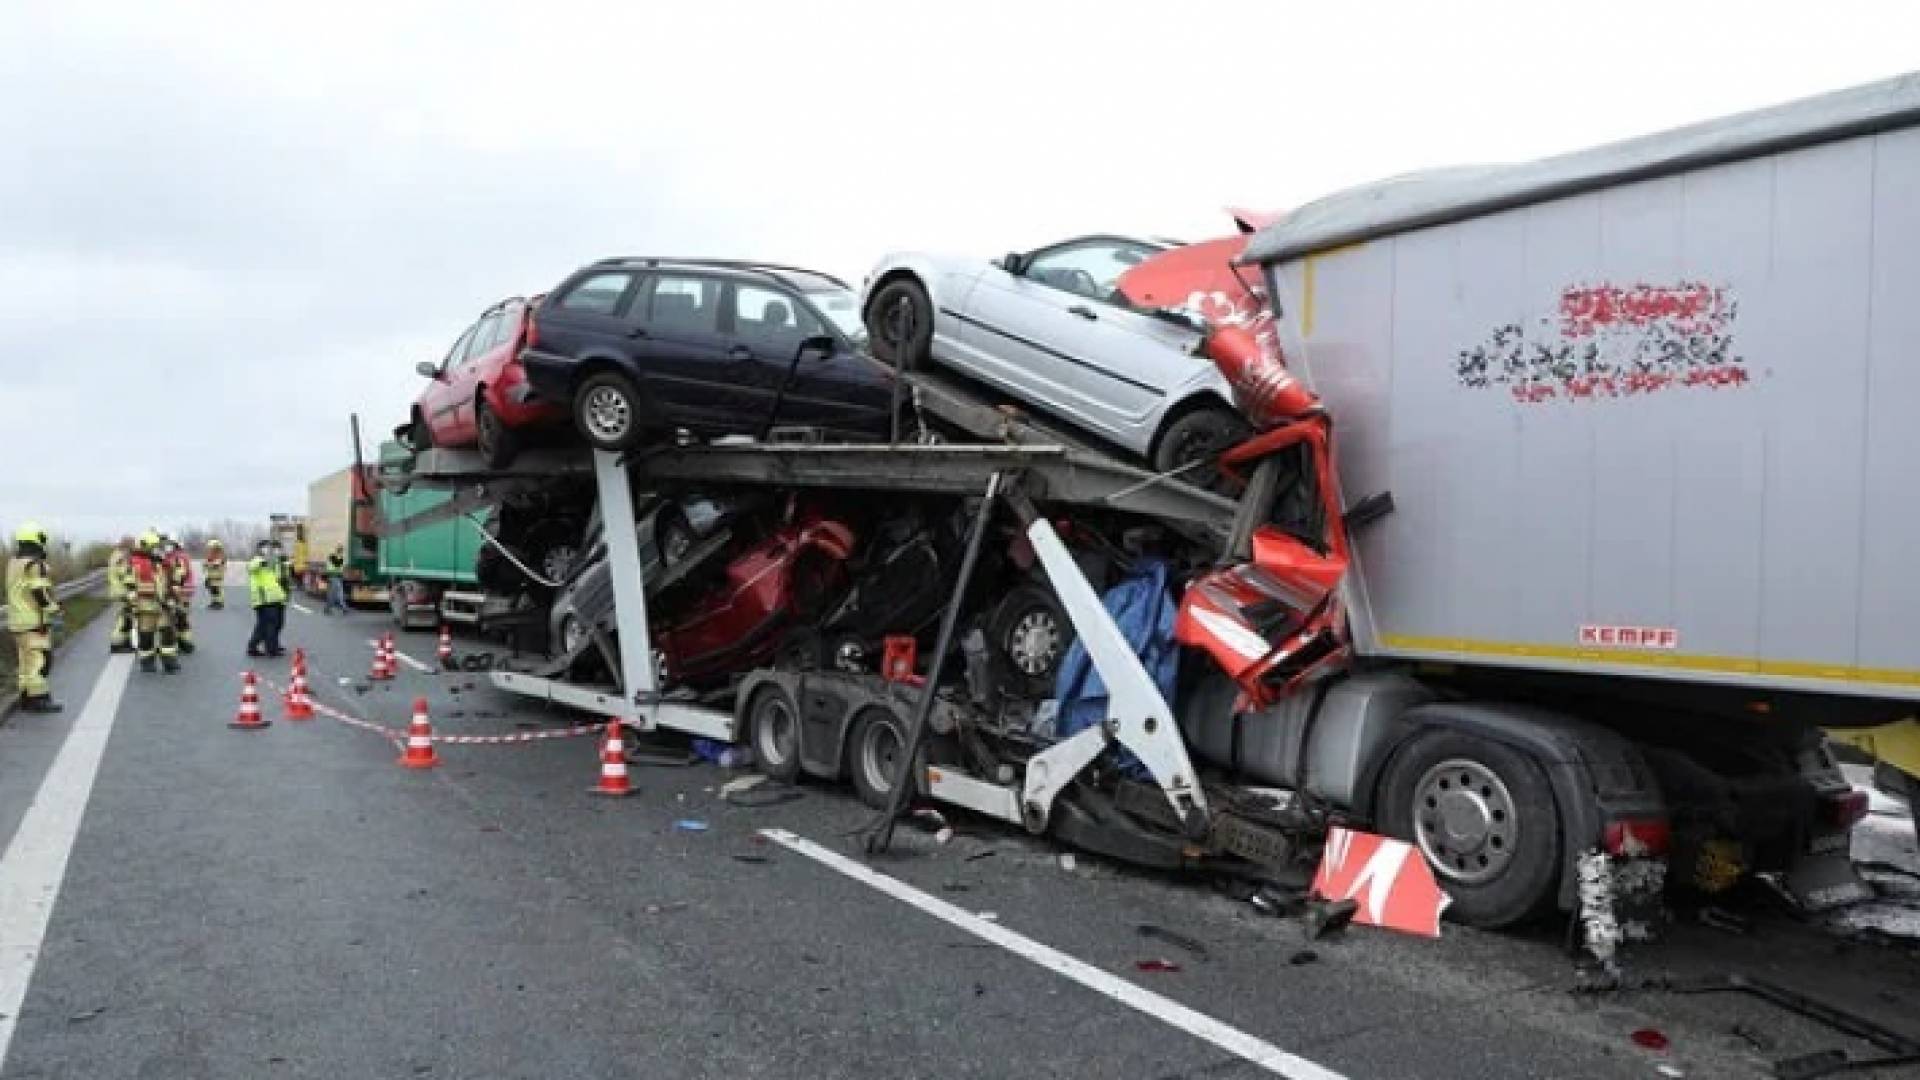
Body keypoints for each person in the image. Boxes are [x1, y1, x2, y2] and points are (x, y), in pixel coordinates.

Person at [7, 523, 65, 713]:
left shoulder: (13, 563)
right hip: (33, 621)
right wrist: (54, 609)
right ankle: (38, 700)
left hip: (16, 621)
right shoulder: (35, 564)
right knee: (40, 661)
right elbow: (39, 592)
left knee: (26, 662)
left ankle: (26, 698)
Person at [128, 532, 179, 673]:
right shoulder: (135, 564)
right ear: (146, 547)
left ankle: (170, 663)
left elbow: (171, 582)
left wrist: (173, 597)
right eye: (155, 547)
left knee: (168, 634)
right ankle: (147, 663)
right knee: (146, 637)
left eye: (158, 547)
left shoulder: (162, 564)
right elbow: (130, 586)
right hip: (145, 608)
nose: (158, 550)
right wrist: (133, 606)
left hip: (163, 606)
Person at [247, 541, 288, 658]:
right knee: (268, 624)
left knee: (277, 623)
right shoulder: (257, 561)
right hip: (264, 598)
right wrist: (264, 560)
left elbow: (280, 579)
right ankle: (269, 648)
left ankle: (271, 645)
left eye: (276, 549)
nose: (273, 551)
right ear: (260, 550)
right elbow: (251, 567)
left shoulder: (274, 564)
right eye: (267, 548)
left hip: (276, 597)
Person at [161, 536, 195, 655]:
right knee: (180, 618)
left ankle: (182, 643)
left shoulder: (177, 558)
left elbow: (181, 575)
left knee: (176, 618)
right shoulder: (174, 557)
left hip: (179, 592)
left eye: (169, 544)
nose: (167, 546)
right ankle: (184, 642)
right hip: (181, 592)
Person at [107, 537, 135, 653]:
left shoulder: (116, 555)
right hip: (122, 591)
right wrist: (132, 586)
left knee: (126, 617)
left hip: (118, 590)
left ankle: (124, 642)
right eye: (132, 545)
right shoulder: (121, 557)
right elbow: (124, 574)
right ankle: (117, 643)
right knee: (124, 618)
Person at [203, 538, 228, 609]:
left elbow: (217, 565)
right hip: (211, 576)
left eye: (212, 548)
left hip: (218, 576)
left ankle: (219, 603)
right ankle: (214, 602)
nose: (211, 549)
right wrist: (208, 564)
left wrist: (210, 564)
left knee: (217, 590)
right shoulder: (210, 556)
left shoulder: (221, 556)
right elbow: (205, 564)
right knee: (212, 589)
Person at [324, 544, 348, 615]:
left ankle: (329, 608)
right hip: (333, 577)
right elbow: (338, 565)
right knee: (337, 593)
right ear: (338, 550)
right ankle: (343, 608)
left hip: (336, 577)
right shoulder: (332, 557)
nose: (341, 552)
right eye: (341, 550)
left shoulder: (339, 558)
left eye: (342, 550)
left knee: (334, 593)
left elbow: (341, 567)